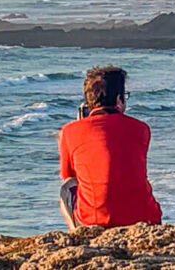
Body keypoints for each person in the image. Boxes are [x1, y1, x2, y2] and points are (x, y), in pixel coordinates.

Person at [58, 65, 162, 230]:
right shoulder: (141, 129)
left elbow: (68, 176)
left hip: (97, 220)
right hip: (146, 218)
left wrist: (80, 127)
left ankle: (77, 233)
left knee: (66, 187)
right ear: (119, 100)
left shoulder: (69, 131)